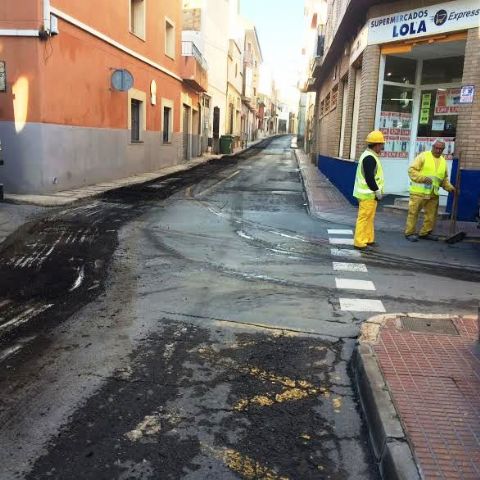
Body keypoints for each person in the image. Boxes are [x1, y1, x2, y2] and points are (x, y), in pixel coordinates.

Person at [405, 139, 455, 242]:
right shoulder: (423, 156)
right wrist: (423, 178)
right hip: (419, 192)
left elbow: (443, 179)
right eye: (436, 148)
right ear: (432, 147)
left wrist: (450, 188)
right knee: (413, 213)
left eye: (441, 149)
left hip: (433, 193)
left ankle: (425, 232)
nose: (438, 150)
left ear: (443, 149)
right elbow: (412, 170)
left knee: (431, 215)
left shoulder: (443, 161)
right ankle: (409, 233)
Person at [353, 130, 385, 250]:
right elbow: (369, 178)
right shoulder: (369, 158)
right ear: (376, 145)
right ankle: (359, 241)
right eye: (381, 145)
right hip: (367, 195)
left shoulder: (370, 156)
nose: (382, 147)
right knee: (364, 218)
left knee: (369, 218)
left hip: (368, 195)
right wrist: (377, 191)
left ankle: (368, 239)